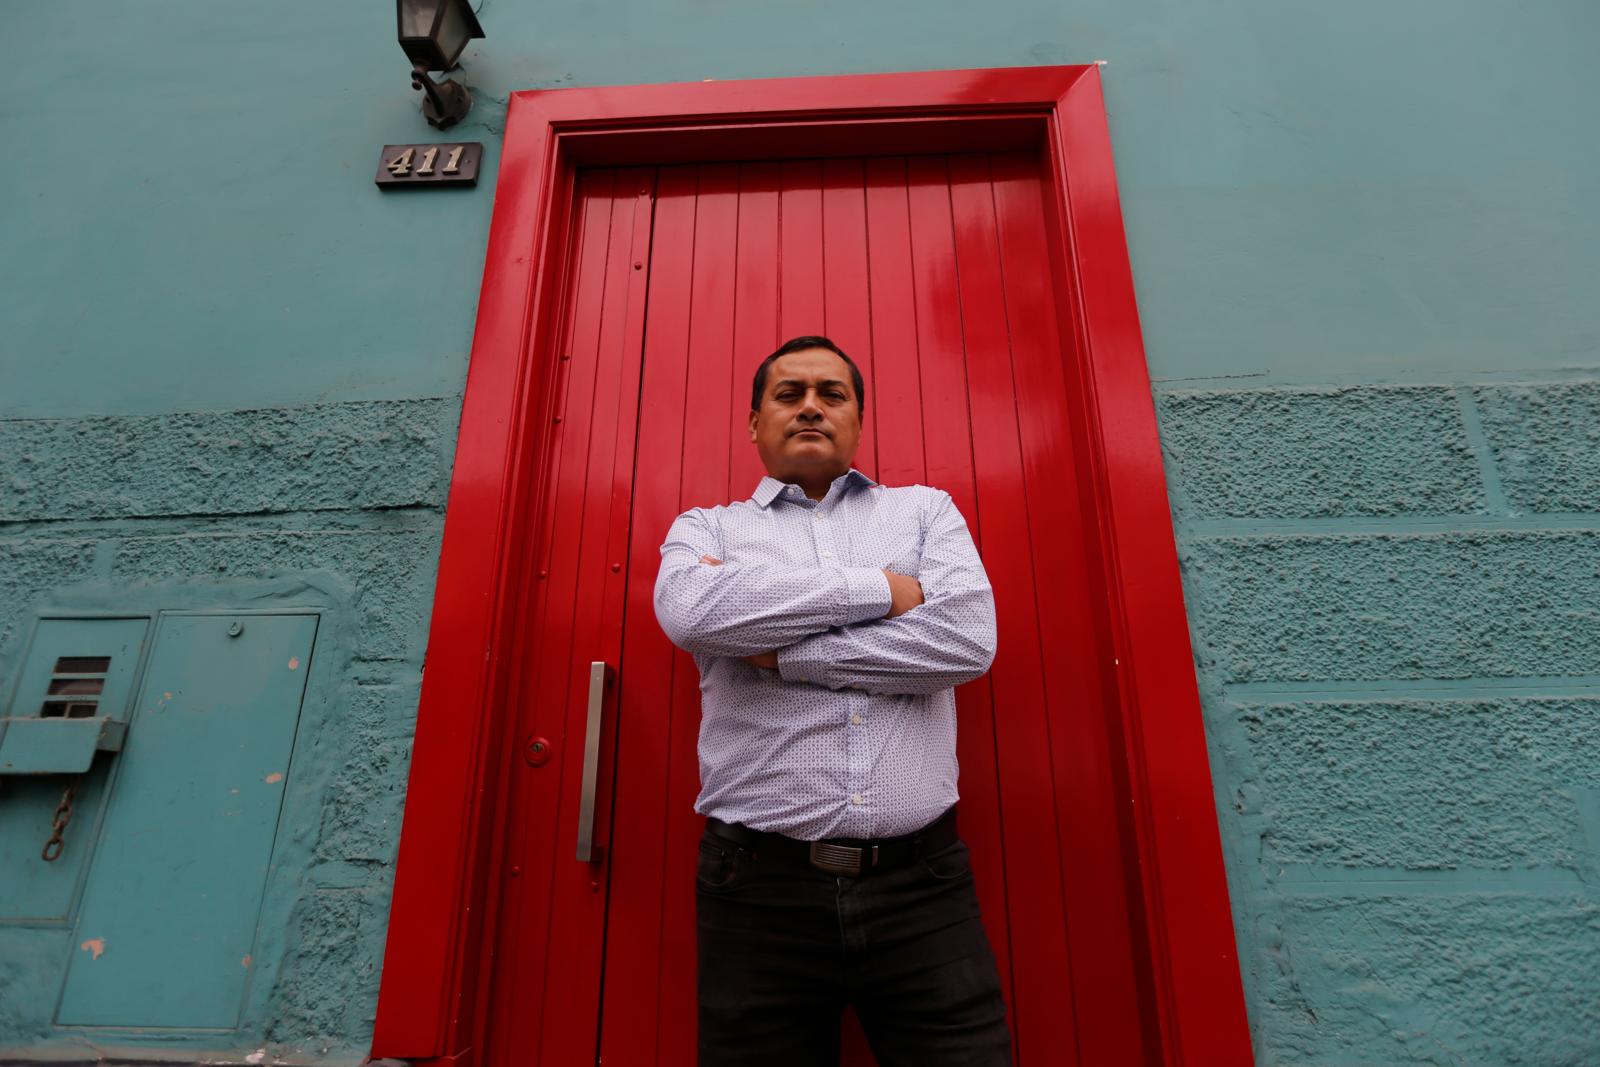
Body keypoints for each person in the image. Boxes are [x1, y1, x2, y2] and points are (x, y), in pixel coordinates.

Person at [653, 335, 1012, 1065]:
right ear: (755, 423)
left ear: (856, 419)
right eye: (789, 394)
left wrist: (784, 652)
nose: (811, 406)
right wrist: (883, 589)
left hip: (922, 887)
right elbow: (692, 613)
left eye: (832, 393)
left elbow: (967, 641)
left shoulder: (924, 513)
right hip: (757, 890)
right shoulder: (708, 528)